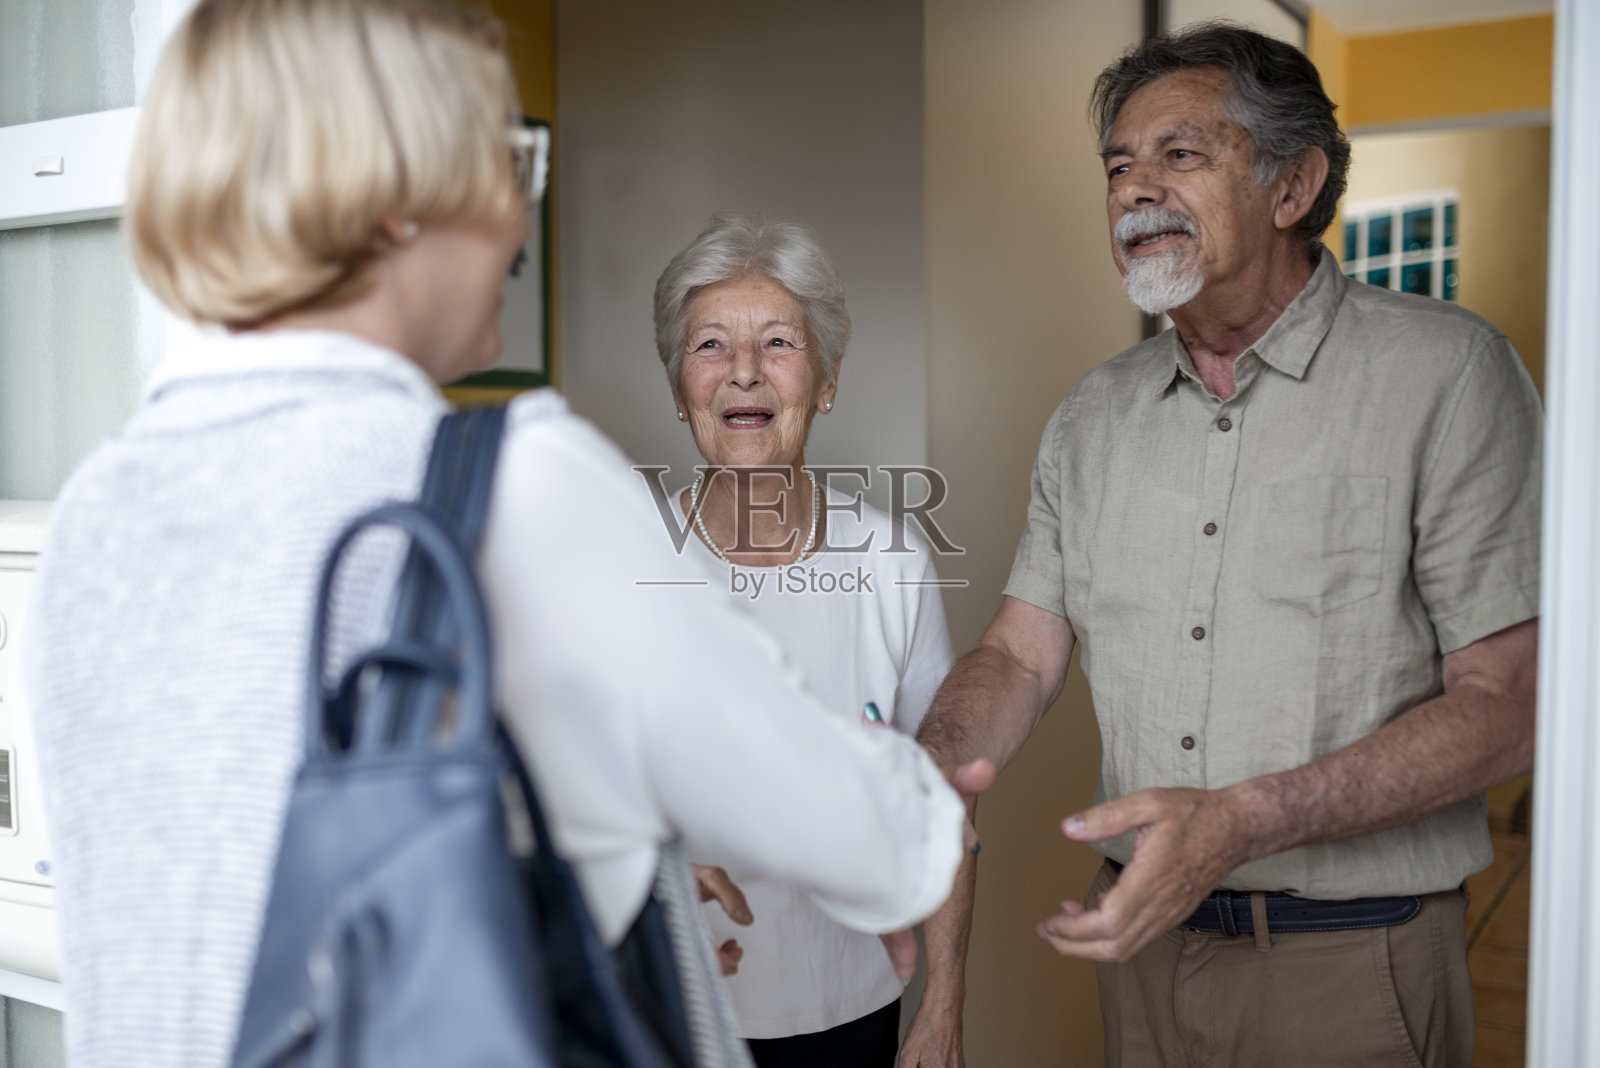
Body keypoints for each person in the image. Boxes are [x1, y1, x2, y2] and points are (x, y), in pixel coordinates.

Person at [23, 4, 977, 1067]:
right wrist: (920, 809)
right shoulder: (519, 483)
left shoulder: (90, 520)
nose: (521, 216)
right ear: (392, 200)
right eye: (505, 159)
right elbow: (857, 827)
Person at [914, 22, 1541, 1068]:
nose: (1132, 189)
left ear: (1292, 187)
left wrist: (1241, 821)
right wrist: (930, 761)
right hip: (1140, 954)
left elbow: (1510, 706)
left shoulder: (1447, 374)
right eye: (1118, 165)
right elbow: (1022, 654)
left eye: (1179, 154)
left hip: (1352, 966)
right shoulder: (1091, 414)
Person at [648, 214, 961, 1068]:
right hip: (668, 1008)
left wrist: (942, 1008)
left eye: (778, 342)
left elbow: (942, 803)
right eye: (710, 344)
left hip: (852, 1004)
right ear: (681, 389)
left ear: (823, 382)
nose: (743, 371)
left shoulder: (892, 561)